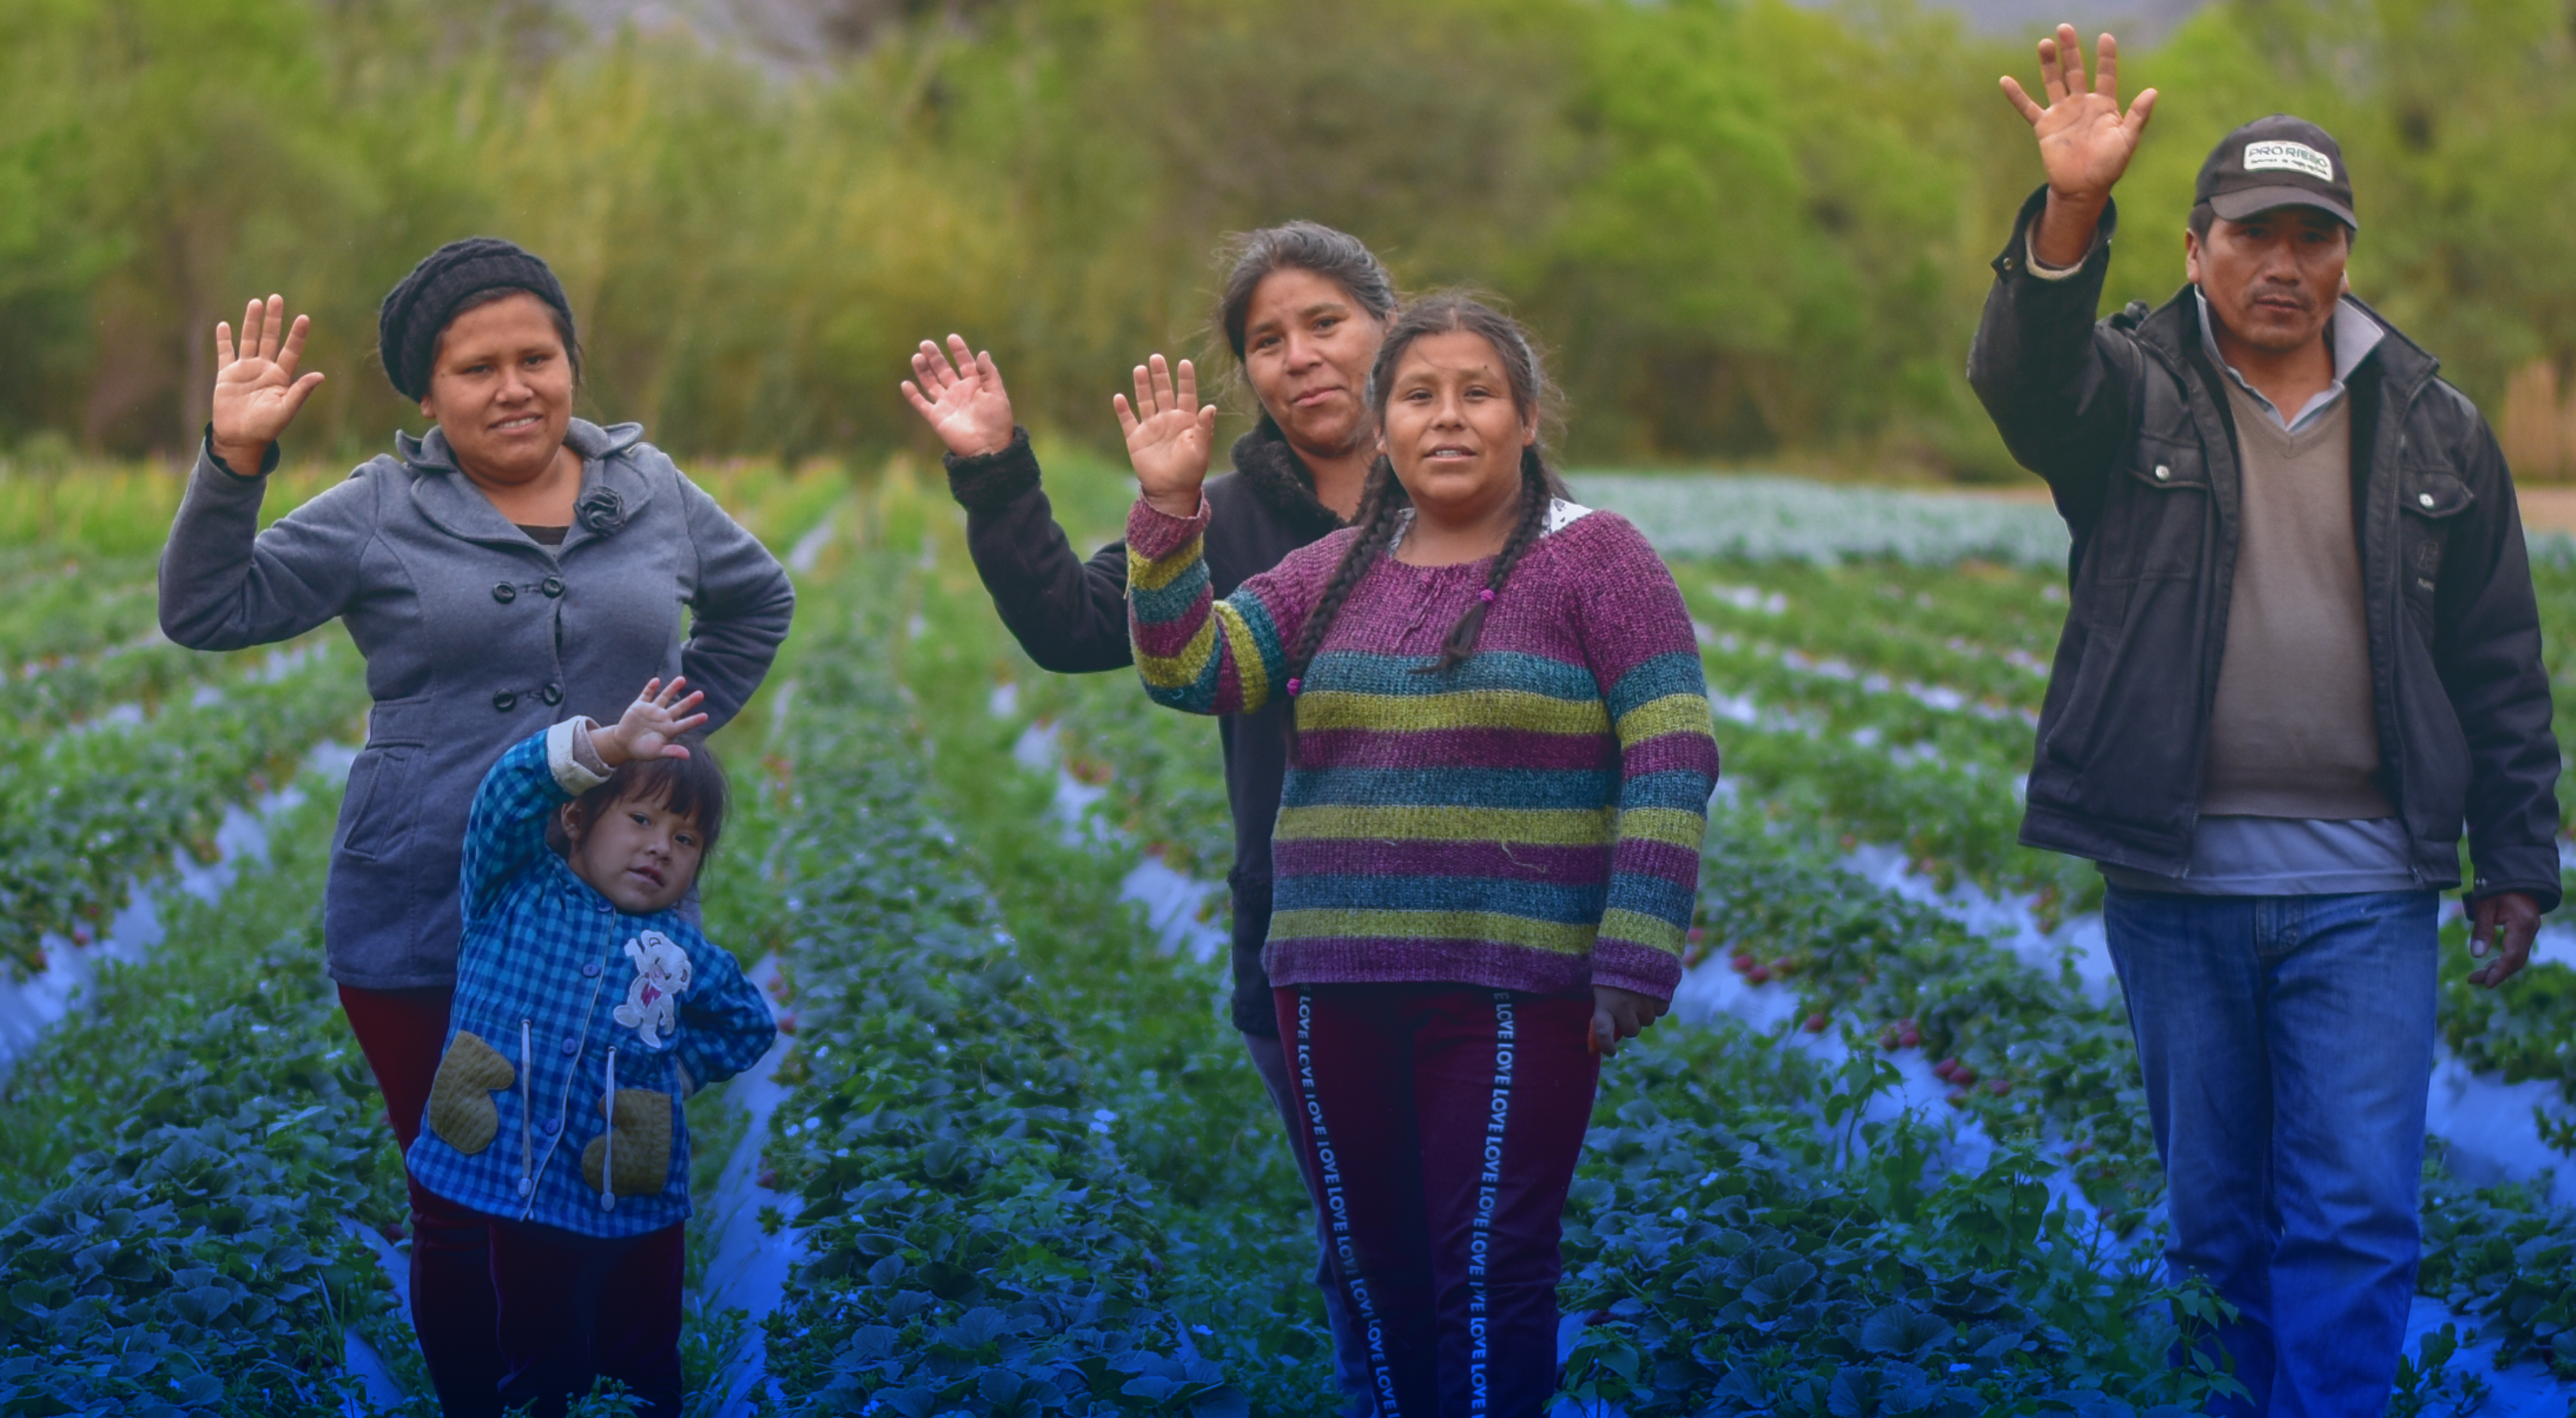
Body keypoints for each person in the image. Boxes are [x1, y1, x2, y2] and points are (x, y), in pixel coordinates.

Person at [1967, 27, 2562, 1417]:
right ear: (2193, 250)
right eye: (2253, 236)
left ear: (2347, 253)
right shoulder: (2129, 392)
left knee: (2358, 1213)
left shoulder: (2435, 423)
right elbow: (2020, 378)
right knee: (2215, 1223)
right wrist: (2067, 213)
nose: (2283, 264)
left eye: (2314, 236)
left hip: (2367, 886)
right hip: (2178, 880)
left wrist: (2516, 853)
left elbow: (2497, 656)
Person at [156, 241, 795, 1413]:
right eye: (477, 367)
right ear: (428, 395)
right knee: (460, 1203)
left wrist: (673, 754)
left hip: (618, 927)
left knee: (621, 1181)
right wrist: (235, 458)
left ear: (572, 363)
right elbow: (207, 607)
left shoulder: (650, 490)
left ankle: (624, 1384)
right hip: (423, 915)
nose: (515, 387)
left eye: (537, 357)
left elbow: (760, 599)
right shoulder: (380, 510)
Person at [1122, 292, 1710, 1418]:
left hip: (1513, 988)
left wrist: (1636, 949)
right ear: (1383, 426)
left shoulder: (1597, 559)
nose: (1448, 418)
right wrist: (1166, 509)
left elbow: (1672, 751)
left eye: (1477, 393)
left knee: (1490, 1275)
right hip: (1329, 986)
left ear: (1528, 420)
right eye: (1419, 395)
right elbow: (1187, 667)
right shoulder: (1335, 569)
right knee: (1376, 1276)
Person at [891, 222, 1394, 1401]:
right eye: (1267, 341)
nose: (1301, 357)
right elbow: (1074, 627)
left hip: (1484, 926)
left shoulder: (1479, 486)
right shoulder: (1214, 515)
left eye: (1326, 323)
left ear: (1387, 326)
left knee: (1485, 1240)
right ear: (1247, 376)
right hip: (1306, 936)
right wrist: (996, 467)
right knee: (1367, 1234)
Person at [400, 677, 777, 1417]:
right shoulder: (513, 887)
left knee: (641, 1359)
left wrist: (673, 1077)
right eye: (639, 818)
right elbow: (505, 794)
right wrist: (605, 745)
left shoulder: (680, 952)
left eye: (685, 838)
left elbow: (748, 1024)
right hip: (524, 1188)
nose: (658, 848)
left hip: (633, 1196)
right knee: (539, 1351)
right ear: (576, 818)